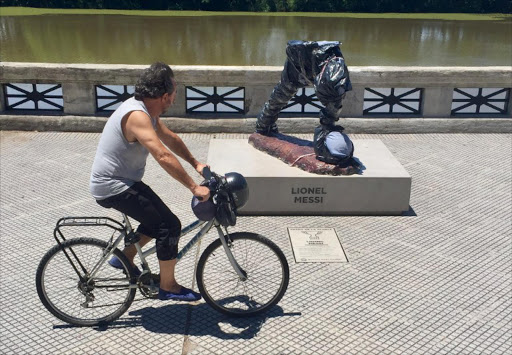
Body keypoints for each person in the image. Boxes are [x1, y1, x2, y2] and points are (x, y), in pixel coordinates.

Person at [89, 62, 210, 302]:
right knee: (169, 225)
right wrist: (194, 187)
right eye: (174, 93)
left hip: (122, 181)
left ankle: (123, 257)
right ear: (165, 96)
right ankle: (168, 286)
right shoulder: (137, 116)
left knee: (156, 219)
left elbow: (170, 139)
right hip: (113, 185)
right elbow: (163, 154)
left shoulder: (146, 111)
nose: (175, 98)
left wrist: (196, 164)